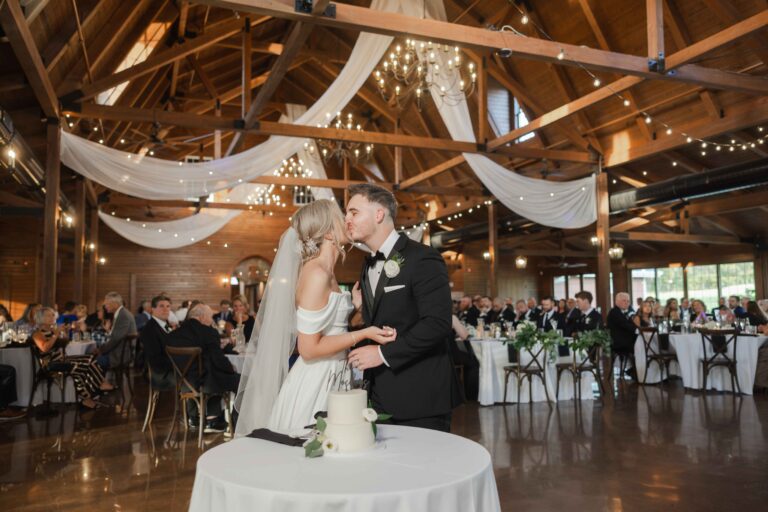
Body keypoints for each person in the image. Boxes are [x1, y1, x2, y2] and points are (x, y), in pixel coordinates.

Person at [234, 199, 397, 437]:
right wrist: (364, 332)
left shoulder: (327, 272)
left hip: (336, 372)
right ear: (329, 232)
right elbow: (308, 348)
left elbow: (326, 329)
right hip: (316, 378)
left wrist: (352, 308)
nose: (348, 221)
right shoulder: (316, 274)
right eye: (342, 218)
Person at [346, 184, 461, 432]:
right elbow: (384, 319)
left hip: (420, 397)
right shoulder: (367, 266)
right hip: (378, 395)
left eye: (353, 212)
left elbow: (438, 323)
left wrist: (381, 355)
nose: (347, 220)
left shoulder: (423, 258)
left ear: (379, 214)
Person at [167, 303, 240, 432]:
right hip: (204, 382)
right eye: (210, 317)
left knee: (214, 372)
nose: (212, 320)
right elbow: (218, 359)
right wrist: (231, 368)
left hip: (182, 382)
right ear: (202, 317)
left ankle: (204, 419)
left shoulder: (174, 334)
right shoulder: (208, 332)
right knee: (242, 380)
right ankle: (238, 422)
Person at [30, 307, 112, 409]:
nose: (52, 317)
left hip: (61, 360)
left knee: (90, 358)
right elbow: (45, 348)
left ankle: (90, 394)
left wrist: (66, 332)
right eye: (48, 315)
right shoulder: (37, 333)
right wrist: (56, 334)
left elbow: (64, 344)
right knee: (80, 366)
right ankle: (93, 390)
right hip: (51, 364)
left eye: (52, 315)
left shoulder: (52, 330)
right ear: (40, 318)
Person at [95, 292, 137, 373]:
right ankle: (103, 382)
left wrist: (101, 350)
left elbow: (115, 339)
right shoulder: (121, 313)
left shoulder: (123, 315)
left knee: (91, 360)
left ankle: (104, 383)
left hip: (120, 355)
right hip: (120, 352)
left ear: (114, 304)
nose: (105, 307)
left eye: (106, 304)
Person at [138, 295, 174, 379]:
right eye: (161, 306)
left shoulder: (165, 325)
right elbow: (155, 359)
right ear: (152, 309)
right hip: (160, 373)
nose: (166, 309)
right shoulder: (149, 329)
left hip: (170, 366)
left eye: (168, 306)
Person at [450, 315, 479, 401]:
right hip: (451, 354)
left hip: (438, 355)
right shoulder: (451, 317)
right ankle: (470, 395)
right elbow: (465, 335)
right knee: (474, 361)